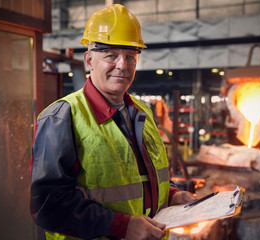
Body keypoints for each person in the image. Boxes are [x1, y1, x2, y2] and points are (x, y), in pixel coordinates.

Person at [30, 4, 196, 240]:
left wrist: (171, 196)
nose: (123, 65)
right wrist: (122, 226)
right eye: (111, 55)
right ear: (89, 60)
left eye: (130, 56)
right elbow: (48, 206)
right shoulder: (61, 117)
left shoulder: (142, 112)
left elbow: (137, 181)